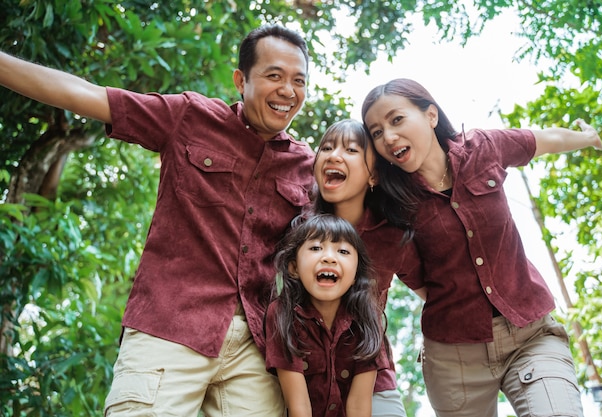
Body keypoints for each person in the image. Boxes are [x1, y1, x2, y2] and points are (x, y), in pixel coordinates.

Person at [0, 24, 315, 416]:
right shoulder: (190, 117)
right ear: (241, 80)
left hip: (255, 349)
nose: (288, 91)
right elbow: (87, 95)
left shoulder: (308, 166)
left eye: (299, 80)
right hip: (170, 326)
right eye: (274, 76)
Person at [360, 78, 602, 417]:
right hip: (455, 359)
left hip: (531, 335)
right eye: (376, 132)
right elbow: (419, 284)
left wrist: (587, 138)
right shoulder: (391, 204)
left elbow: (543, 139)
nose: (388, 136)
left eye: (396, 120)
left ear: (430, 115)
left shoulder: (482, 148)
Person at [309, 118, 426, 416]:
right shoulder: (299, 229)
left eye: (350, 150)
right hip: (303, 380)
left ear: (373, 175)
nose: (334, 155)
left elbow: (435, 292)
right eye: (326, 147)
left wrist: (441, 341)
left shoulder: (392, 236)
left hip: (372, 380)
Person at [265, 213, 388, 417]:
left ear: (356, 274)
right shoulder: (281, 313)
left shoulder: (369, 317)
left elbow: (358, 405)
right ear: (294, 268)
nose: (329, 257)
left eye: (342, 251)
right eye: (315, 248)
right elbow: (299, 406)